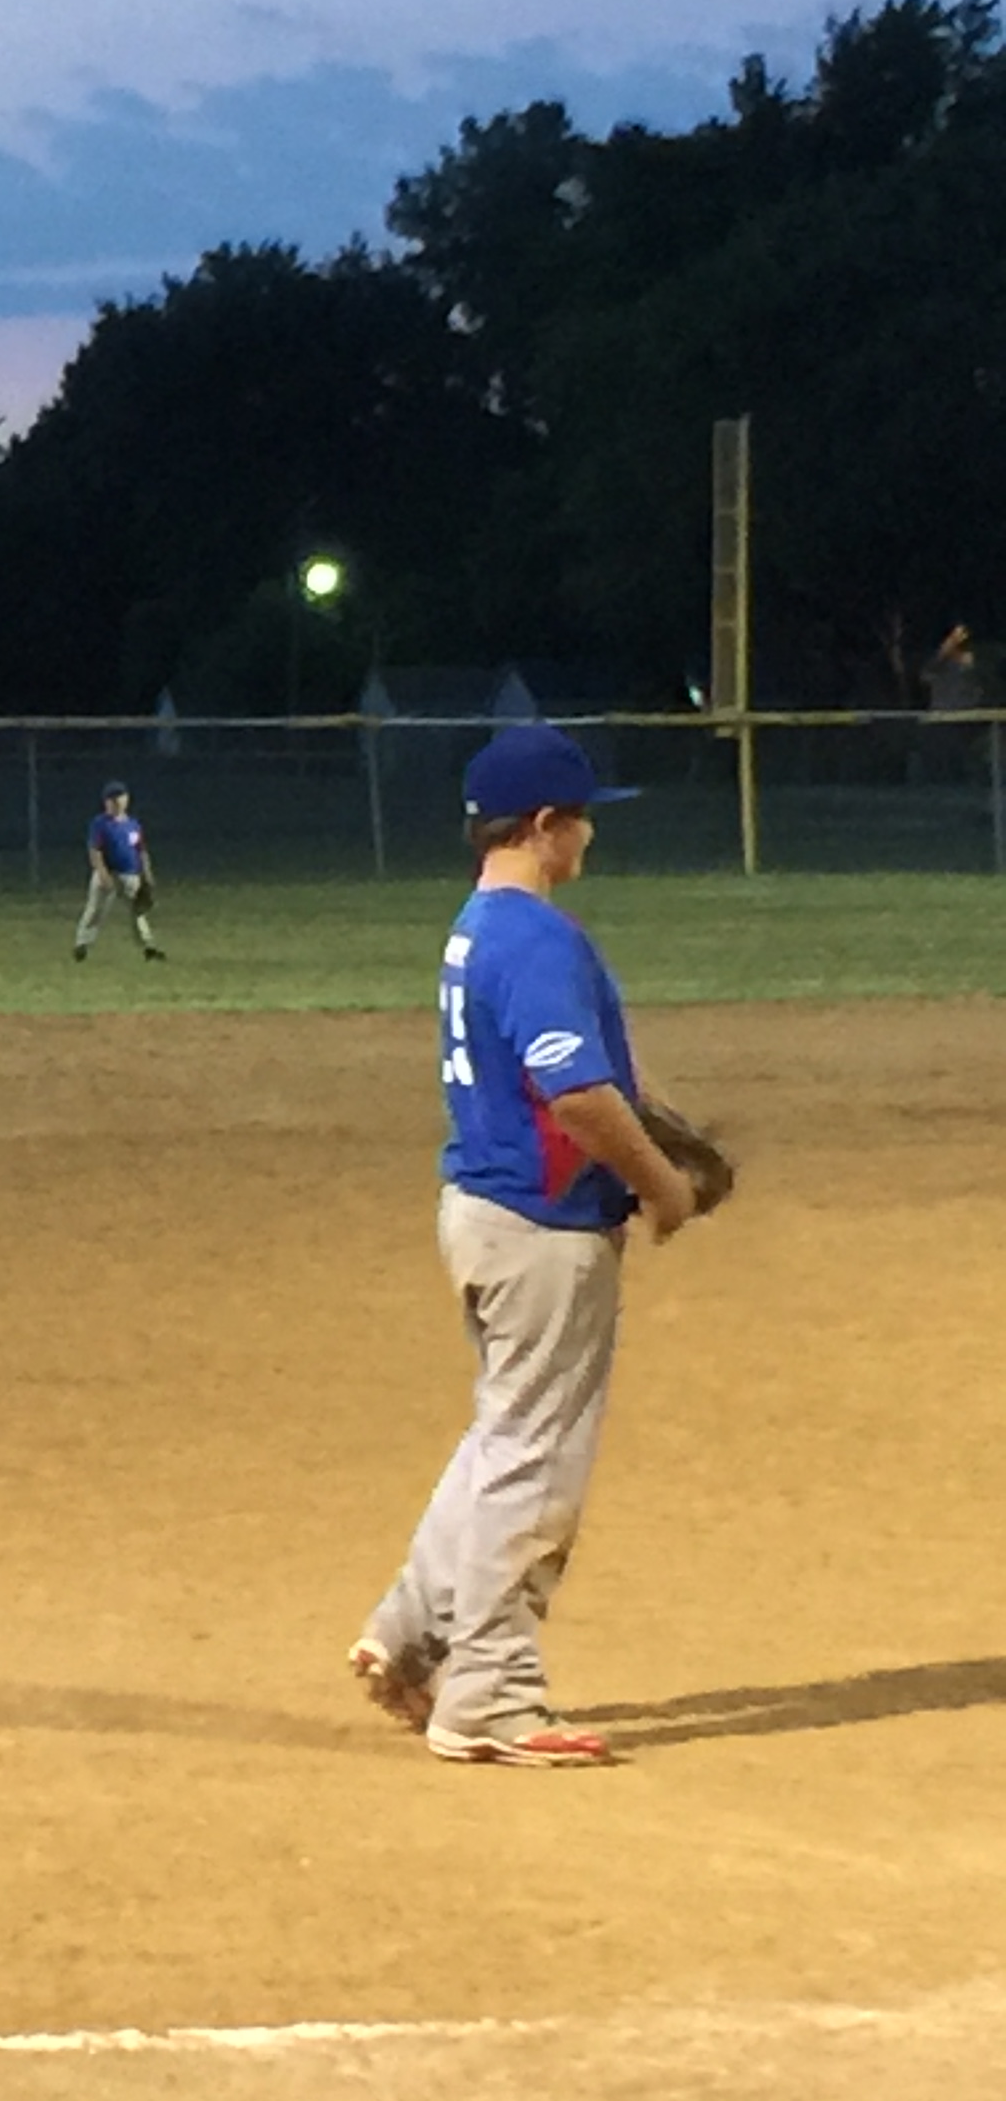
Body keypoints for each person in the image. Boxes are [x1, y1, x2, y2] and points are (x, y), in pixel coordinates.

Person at [349, 724, 701, 1768]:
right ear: (545, 825)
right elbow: (578, 1095)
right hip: (542, 1232)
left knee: (505, 1434)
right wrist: (663, 1183)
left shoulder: (476, 927)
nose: (590, 836)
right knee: (536, 1457)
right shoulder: (537, 938)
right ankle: (491, 1697)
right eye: (583, 819)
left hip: (486, 1212)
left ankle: (411, 1631)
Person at [73, 781, 164, 961]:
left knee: (138, 912)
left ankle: (149, 947)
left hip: (131, 875)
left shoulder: (133, 824)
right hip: (108, 872)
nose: (117, 802)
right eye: (112, 799)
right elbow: (95, 851)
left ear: (127, 799)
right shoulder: (100, 823)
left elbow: (140, 850)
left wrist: (146, 873)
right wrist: (102, 873)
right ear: (106, 802)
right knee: (95, 910)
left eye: (120, 797)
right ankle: (82, 945)